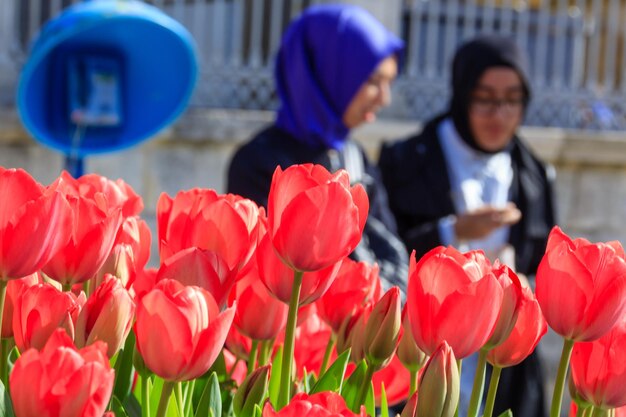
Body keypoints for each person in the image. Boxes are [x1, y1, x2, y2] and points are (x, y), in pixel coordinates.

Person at [379, 35, 555, 417]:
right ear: (462, 95)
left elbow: (545, 262)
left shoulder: (534, 174)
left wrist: (519, 284)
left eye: (512, 100)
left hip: (502, 359)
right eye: (486, 98)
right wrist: (452, 232)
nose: (499, 114)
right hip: (426, 343)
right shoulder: (407, 160)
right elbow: (386, 250)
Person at [227, 4, 408, 292]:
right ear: (325, 70)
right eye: (373, 81)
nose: (384, 99)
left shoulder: (354, 156)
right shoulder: (260, 161)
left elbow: (388, 242)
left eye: (389, 82)